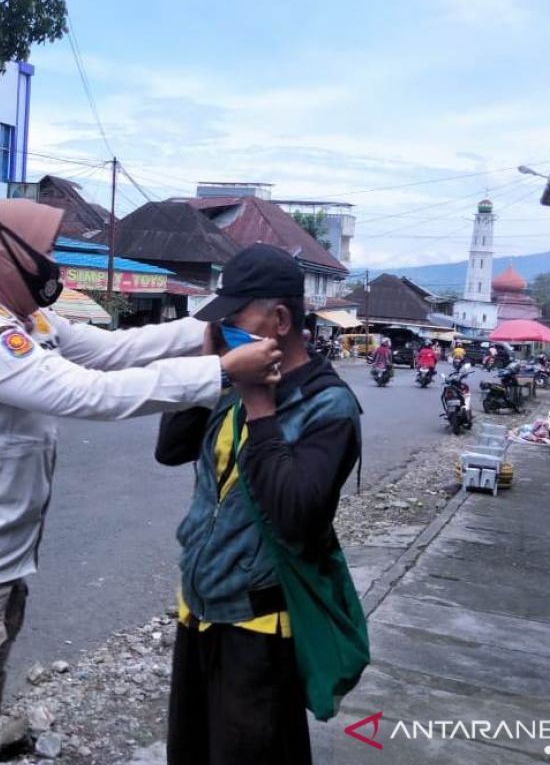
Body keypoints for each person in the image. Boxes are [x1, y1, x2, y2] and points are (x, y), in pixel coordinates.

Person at [0, 200, 282, 765]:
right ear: (0, 255)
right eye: (40, 251)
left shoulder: (27, 320)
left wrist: (208, 325)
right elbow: (87, 393)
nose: (50, 263)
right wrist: (219, 372)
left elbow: (112, 352)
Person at [155, 244, 363, 764]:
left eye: (234, 317)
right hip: (199, 612)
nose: (223, 325)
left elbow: (297, 516)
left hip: (260, 629)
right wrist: (210, 368)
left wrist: (260, 407)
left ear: (280, 320)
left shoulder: (328, 406)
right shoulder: (233, 380)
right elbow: (170, 450)